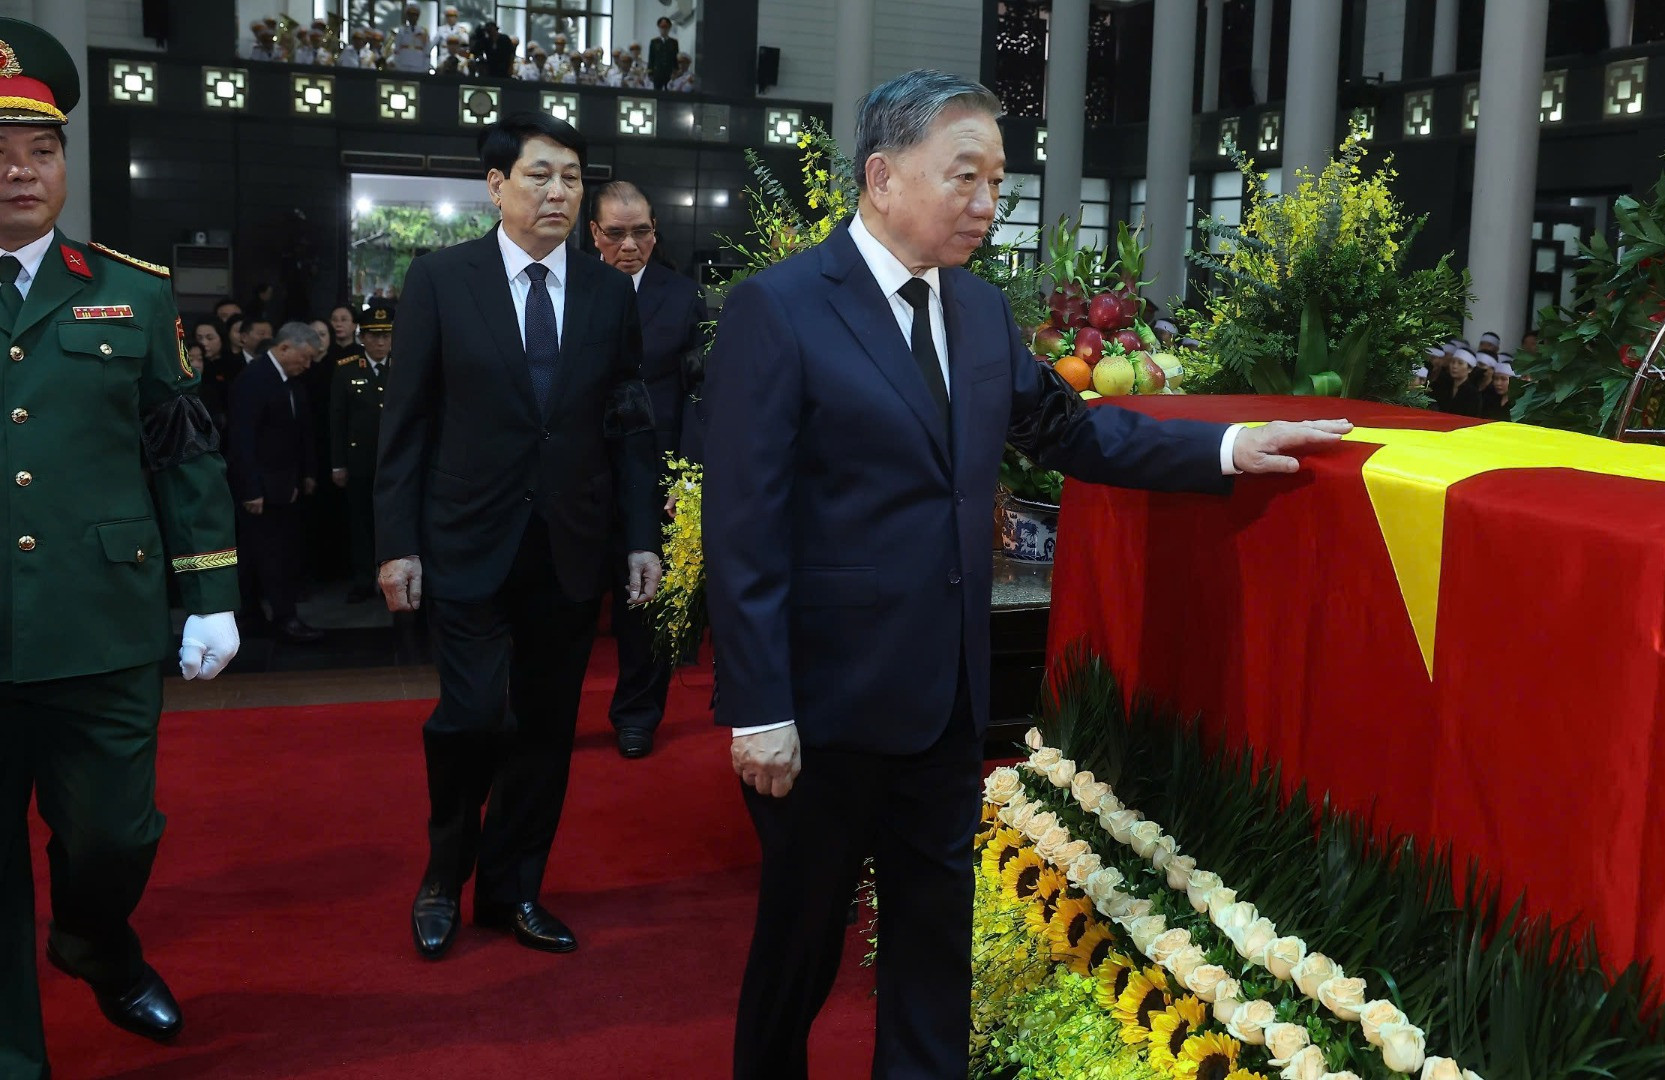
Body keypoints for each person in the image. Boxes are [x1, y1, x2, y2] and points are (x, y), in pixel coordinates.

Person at [703, 70, 1351, 1079]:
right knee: (801, 946)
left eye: (998, 181)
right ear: (881, 176)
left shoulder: (976, 310)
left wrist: (1227, 447)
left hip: (944, 697)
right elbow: (745, 524)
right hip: (821, 707)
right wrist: (757, 705)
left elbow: (1068, 431)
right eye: (966, 178)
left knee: (931, 952)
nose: (987, 203)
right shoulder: (779, 310)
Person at [0, 20, 242, 1075]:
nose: (19, 172)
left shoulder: (132, 292)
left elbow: (183, 449)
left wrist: (214, 590)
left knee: (116, 836)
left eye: (40, 150)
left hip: (102, 621)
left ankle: (94, 937)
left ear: (66, 162)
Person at [375, 111, 664, 962]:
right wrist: (398, 541)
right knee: (468, 717)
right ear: (495, 185)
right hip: (465, 541)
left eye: (571, 177)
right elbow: (407, 422)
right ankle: (442, 876)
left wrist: (641, 536)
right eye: (540, 175)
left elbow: (631, 423)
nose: (558, 192)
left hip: (568, 547)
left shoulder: (609, 293)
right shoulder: (441, 278)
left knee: (544, 730)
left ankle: (513, 891)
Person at [589, 181, 710, 759]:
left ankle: (638, 714)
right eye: (616, 234)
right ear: (594, 235)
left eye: (641, 232)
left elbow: (698, 392)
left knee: (646, 601)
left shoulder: (683, 296)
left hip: (658, 473)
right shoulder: (569, 288)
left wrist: (688, 478)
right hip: (582, 468)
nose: (630, 245)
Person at [227, 323, 325, 643]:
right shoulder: (254, 379)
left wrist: (304, 474)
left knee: (281, 552)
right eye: (305, 357)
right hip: (260, 489)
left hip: (284, 486)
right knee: (265, 555)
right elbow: (242, 440)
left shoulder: (291, 381)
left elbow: (298, 433)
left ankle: (270, 614)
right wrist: (251, 488)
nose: (308, 365)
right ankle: (275, 616)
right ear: (285, 348)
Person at [331, 300, 393, 603]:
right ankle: (361, 579)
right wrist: (337, 464)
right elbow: (337, 420)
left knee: (390, 523)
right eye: (373, 335)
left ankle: (389, 581)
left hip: (394, 463)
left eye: (385, 335)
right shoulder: (345, 369)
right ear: (362, 337)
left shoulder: (404, 365)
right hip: (359, 461)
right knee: (359, 524)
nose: (380, 342)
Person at [391, 3, 430, 73]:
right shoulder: (401, 31)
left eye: (415, 15)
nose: (413, 17)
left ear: (418, 16)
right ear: (407, 16)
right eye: (410, 15)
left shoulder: (423, 32)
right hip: (403, 64)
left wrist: (426, 66)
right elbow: (397, 49)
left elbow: (426, 50)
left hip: (419, 65)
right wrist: (397, 64)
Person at [647, 17, 679, 91]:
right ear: (659, 28)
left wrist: (675, 70)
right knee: (657, 91)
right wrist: (650, 72)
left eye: (666, 27)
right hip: (657, 72)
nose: (664, 29)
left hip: (669, 72)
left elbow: (675, 58)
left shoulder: (674, 42)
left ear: (669, 28)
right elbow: (651, 58)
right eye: (662, 27)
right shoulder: (654, 42)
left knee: (669, 91)